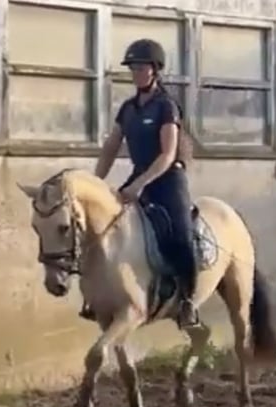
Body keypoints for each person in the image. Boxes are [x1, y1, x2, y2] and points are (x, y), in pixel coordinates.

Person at [79, 38, 198, 327]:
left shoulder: (166, 106)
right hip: (139, 176)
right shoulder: (128, 108)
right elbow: (111, 146)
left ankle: (187, 303)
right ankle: (100, 295)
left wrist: (140, 184)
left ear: (155, 70)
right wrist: (95, 183)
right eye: (132, 68)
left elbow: (168, 155)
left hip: (167, 179)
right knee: (104, 228)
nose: (136, 72)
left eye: (141, 67)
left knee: (182, 236)